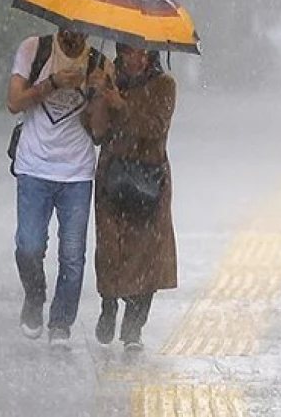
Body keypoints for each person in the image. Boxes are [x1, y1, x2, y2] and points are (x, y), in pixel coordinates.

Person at [6, 28, 108, 349]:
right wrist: (52, 83)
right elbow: (14, 102)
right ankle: (35, 296)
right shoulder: (34, 49)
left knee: (73, 254)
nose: (74, 35)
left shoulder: (99, 63)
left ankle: (61, 322)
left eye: (81, 28)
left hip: (76, 172)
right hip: (34, 167)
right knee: (29, 245)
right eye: (68, 26)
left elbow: (101, 131)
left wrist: (97, 95)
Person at [88, 43, 178, 351]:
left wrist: (121, 104)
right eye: (129, 51)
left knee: (148, 255)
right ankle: (109, 305)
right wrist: (100, 96)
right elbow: (96, 132)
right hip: (113, 176)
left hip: (149, 178)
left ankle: (133, 326)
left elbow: (154, 127)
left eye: (143, 52)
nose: (136, 59)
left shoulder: (164, 84)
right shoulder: (109, 77)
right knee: (111, 247)